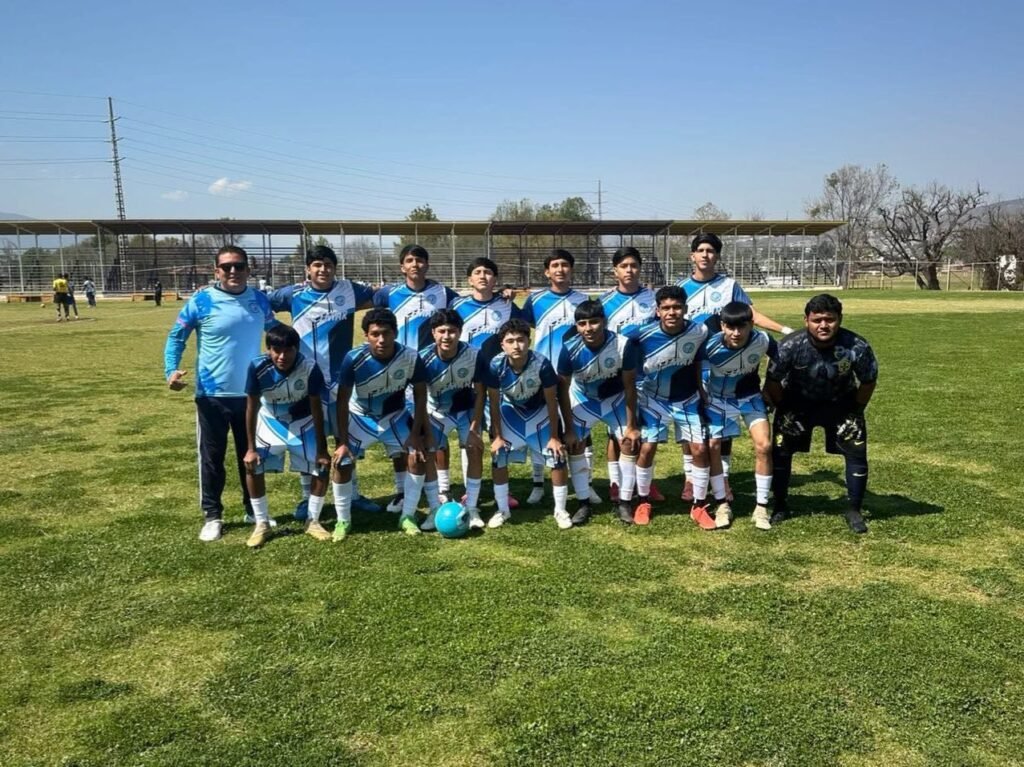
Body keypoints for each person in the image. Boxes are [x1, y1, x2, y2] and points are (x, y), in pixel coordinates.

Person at [164, 246, 279, 542]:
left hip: (250, 395)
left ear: (248, 270)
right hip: (211, 395)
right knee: (212, 458)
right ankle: (213, 515)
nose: (233, 271)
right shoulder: (201, 301)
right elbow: (177, 336)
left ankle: (253, 511)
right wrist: (171, 370)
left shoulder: (259, 300)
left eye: (239, 266)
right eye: (226, 267)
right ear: (216, 271)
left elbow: (276, 335)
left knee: (251, 455)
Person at [678, 233, 794, 503]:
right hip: (693, 362)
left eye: (711, 251)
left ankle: (724, 478)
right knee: (693, 425)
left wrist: (784, 329)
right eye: (700, 250)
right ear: (692, 255)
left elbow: (751, 315)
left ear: (717, 256)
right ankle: (690, 478)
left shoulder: (729, 286)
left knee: (723, 427)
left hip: (728, 362)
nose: (705, 255)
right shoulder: (681, 287)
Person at [268, 245, 380, 518]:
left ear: (335, 268)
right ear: (308, 269)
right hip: (306, 381)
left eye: (328, 264)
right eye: (317, 265)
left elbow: (379, 296)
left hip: (341, 381)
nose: (323, 269)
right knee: (307, 439)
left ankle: (352, 494)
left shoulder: (349, 290)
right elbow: (262, 303)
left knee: (345, 438)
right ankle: (307, 498)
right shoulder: (293, 294)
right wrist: (274, 332)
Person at [763, 294, 878, 534]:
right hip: (796, 404)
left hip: (842, 404)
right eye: (817, 320)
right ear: (806, 320)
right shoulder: (789, 345)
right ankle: (780, 505)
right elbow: (772, 380)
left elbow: (868, 380)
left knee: (856, 452)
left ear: (839, 319)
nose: (823, 325)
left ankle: (854, 510)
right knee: (781, 452)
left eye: (830, 319)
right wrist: (784, 409)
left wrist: (856, 411)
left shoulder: (856, 346)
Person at [373, 244, 460, 513]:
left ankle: (442, 488)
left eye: (420, 260)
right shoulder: (389, 294)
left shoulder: (444, 293)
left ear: (427, 264)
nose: (415, 264)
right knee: (401, 432)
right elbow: (372, 310)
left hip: (433, 371)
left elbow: (467, 307)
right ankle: (402, 491)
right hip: (399, 370)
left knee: (436, 429)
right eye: (409, 260)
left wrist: (503, 294)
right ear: (402, 267)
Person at [331, 308, 430, 539]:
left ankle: (408, 515)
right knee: (342, 462)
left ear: (395, 333)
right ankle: (343, 520)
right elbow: (342, 401)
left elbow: (420, 395)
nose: (381, 339)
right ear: (366, 335)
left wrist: (416, 434)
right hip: (361, 416)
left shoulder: (410, 357)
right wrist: (342, 442)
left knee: (417, 456)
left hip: (394, 416)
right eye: (375, 334)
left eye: (386, 333)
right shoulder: (353, 358)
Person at [627, 286, 713, 528]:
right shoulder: (640, 334)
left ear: (685, 309)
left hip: (687, 400)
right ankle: (643, 501)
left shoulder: (699, 331)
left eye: (677, 307)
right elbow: (614, 341)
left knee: (699, 449)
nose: (671, 312)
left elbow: (700, 359)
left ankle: (699, 505)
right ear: (657, 311)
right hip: (654, 400)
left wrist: (702, 388)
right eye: (666, 308)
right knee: (647, 448)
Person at [242, 325, 332, 548]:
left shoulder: (309, 367)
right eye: (276, 350)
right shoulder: (257, 366)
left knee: (322, 465)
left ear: (296, 349)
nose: (282, 356)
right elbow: (251, 407)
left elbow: (316, 408)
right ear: (268, 350)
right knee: (252, 464)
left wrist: (322, 449)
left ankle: (313, 520)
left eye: (288, 350)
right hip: (271, 420)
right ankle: (261, 523)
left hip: (303, 422)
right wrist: (250, 448)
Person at [519, 249, 597, 505]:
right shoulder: (535, 300)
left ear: (571, 269)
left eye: (565, 264)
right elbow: (525, 327)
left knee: (580, 428)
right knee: (540, 427)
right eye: (555, 265)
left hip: (576, 374)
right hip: (542, 373)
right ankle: (538, 484)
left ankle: (586, 484)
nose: (560, 269)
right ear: (547, 271)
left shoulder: (582, 300)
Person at [483, 318, 575, 529]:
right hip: (512, 412)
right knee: (499, 455)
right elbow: (494, 403)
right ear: (502, 345)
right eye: (510, 341)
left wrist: (555, 437)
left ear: (529, 341)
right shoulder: (495, 365)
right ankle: (502, 510)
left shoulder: (542, 364)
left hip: (539, 413)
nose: (516, 346)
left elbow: (552, 401)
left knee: (557, 455)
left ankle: (560, 510)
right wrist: (497, 437)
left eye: (521, 340)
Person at [556, 300, 642, 525]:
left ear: (604, 322)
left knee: (628, 442)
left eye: (594, 322)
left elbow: (630, 385)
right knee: (575, 444)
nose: (588, 328)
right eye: (582, 323)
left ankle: (624, 502)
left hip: (616, 399)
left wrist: (632, 426)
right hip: (584, 399)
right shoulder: (569, 349)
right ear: (577, 326)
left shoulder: (623, 344)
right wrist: (569, 428)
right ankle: (583, 502)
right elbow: (562, 390)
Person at [448, 256, 523, 507]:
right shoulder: (456, 305)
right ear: (469, 279)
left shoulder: (506, 305)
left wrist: (508, 294)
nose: (483, 276)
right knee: (470, 435)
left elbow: (522, 330)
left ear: (495, 279)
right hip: (465, 380)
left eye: (488, 272)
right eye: (477, 272)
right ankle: (471, 490)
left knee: (497, 433)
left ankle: (503, 489)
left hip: (496, 381)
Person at [699, 301, 777, 530]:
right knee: (713, 446)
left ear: (751, 325)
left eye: (741, 327)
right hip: (718, 400)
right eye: (730, 327)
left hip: (749, 397)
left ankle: (761, 507)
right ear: (722, 326)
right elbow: (696, 371)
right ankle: (722, 504)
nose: (736, 333)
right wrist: (702, 398)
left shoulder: (762, 340)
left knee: (764, 446)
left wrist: (769, 388)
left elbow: (781, 359)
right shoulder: (709, 345)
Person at [598, 246, 665, 504]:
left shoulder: (653, 299)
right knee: (617, 433)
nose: (629, 270)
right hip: (615, 375)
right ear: (615, 271)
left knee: (648, 431)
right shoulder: (604, 303)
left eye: (634, 265)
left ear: (640, 268)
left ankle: (646, 481)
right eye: (624, 266)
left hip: (648, 374)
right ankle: (616, 483)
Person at [417, 309, 488, 531]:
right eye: (441, 331)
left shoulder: (474, 355)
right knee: (429, 451)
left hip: (466, 411)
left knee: (474, 449)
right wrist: (424, 429)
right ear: (433, 333)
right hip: (436, 411)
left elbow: (481, 393)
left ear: (460, 332)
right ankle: (434, 507)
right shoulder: (422, 358)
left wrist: (475, 429)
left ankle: (473, 507)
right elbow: (419, 396)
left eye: (452, 331)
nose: (447, 336)